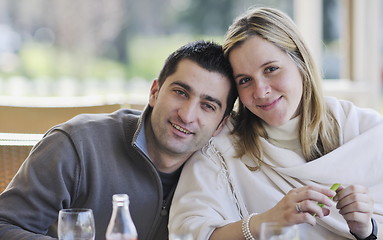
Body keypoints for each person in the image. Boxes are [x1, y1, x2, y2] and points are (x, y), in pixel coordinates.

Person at [169, 7, 383, 240]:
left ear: (301, 62)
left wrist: (368, 230)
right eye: (245, 80)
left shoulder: (366, 131)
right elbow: (188, 233)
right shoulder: (219, 149)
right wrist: (266, 221)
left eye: (271, 69)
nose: (261, 91)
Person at [0, 40, 237, 240]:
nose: (187, 115)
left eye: (207, 106)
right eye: (180, 93)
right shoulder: (77, 144)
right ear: (154, 92)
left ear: (221, 124)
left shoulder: (221, 173)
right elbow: (4, 225)